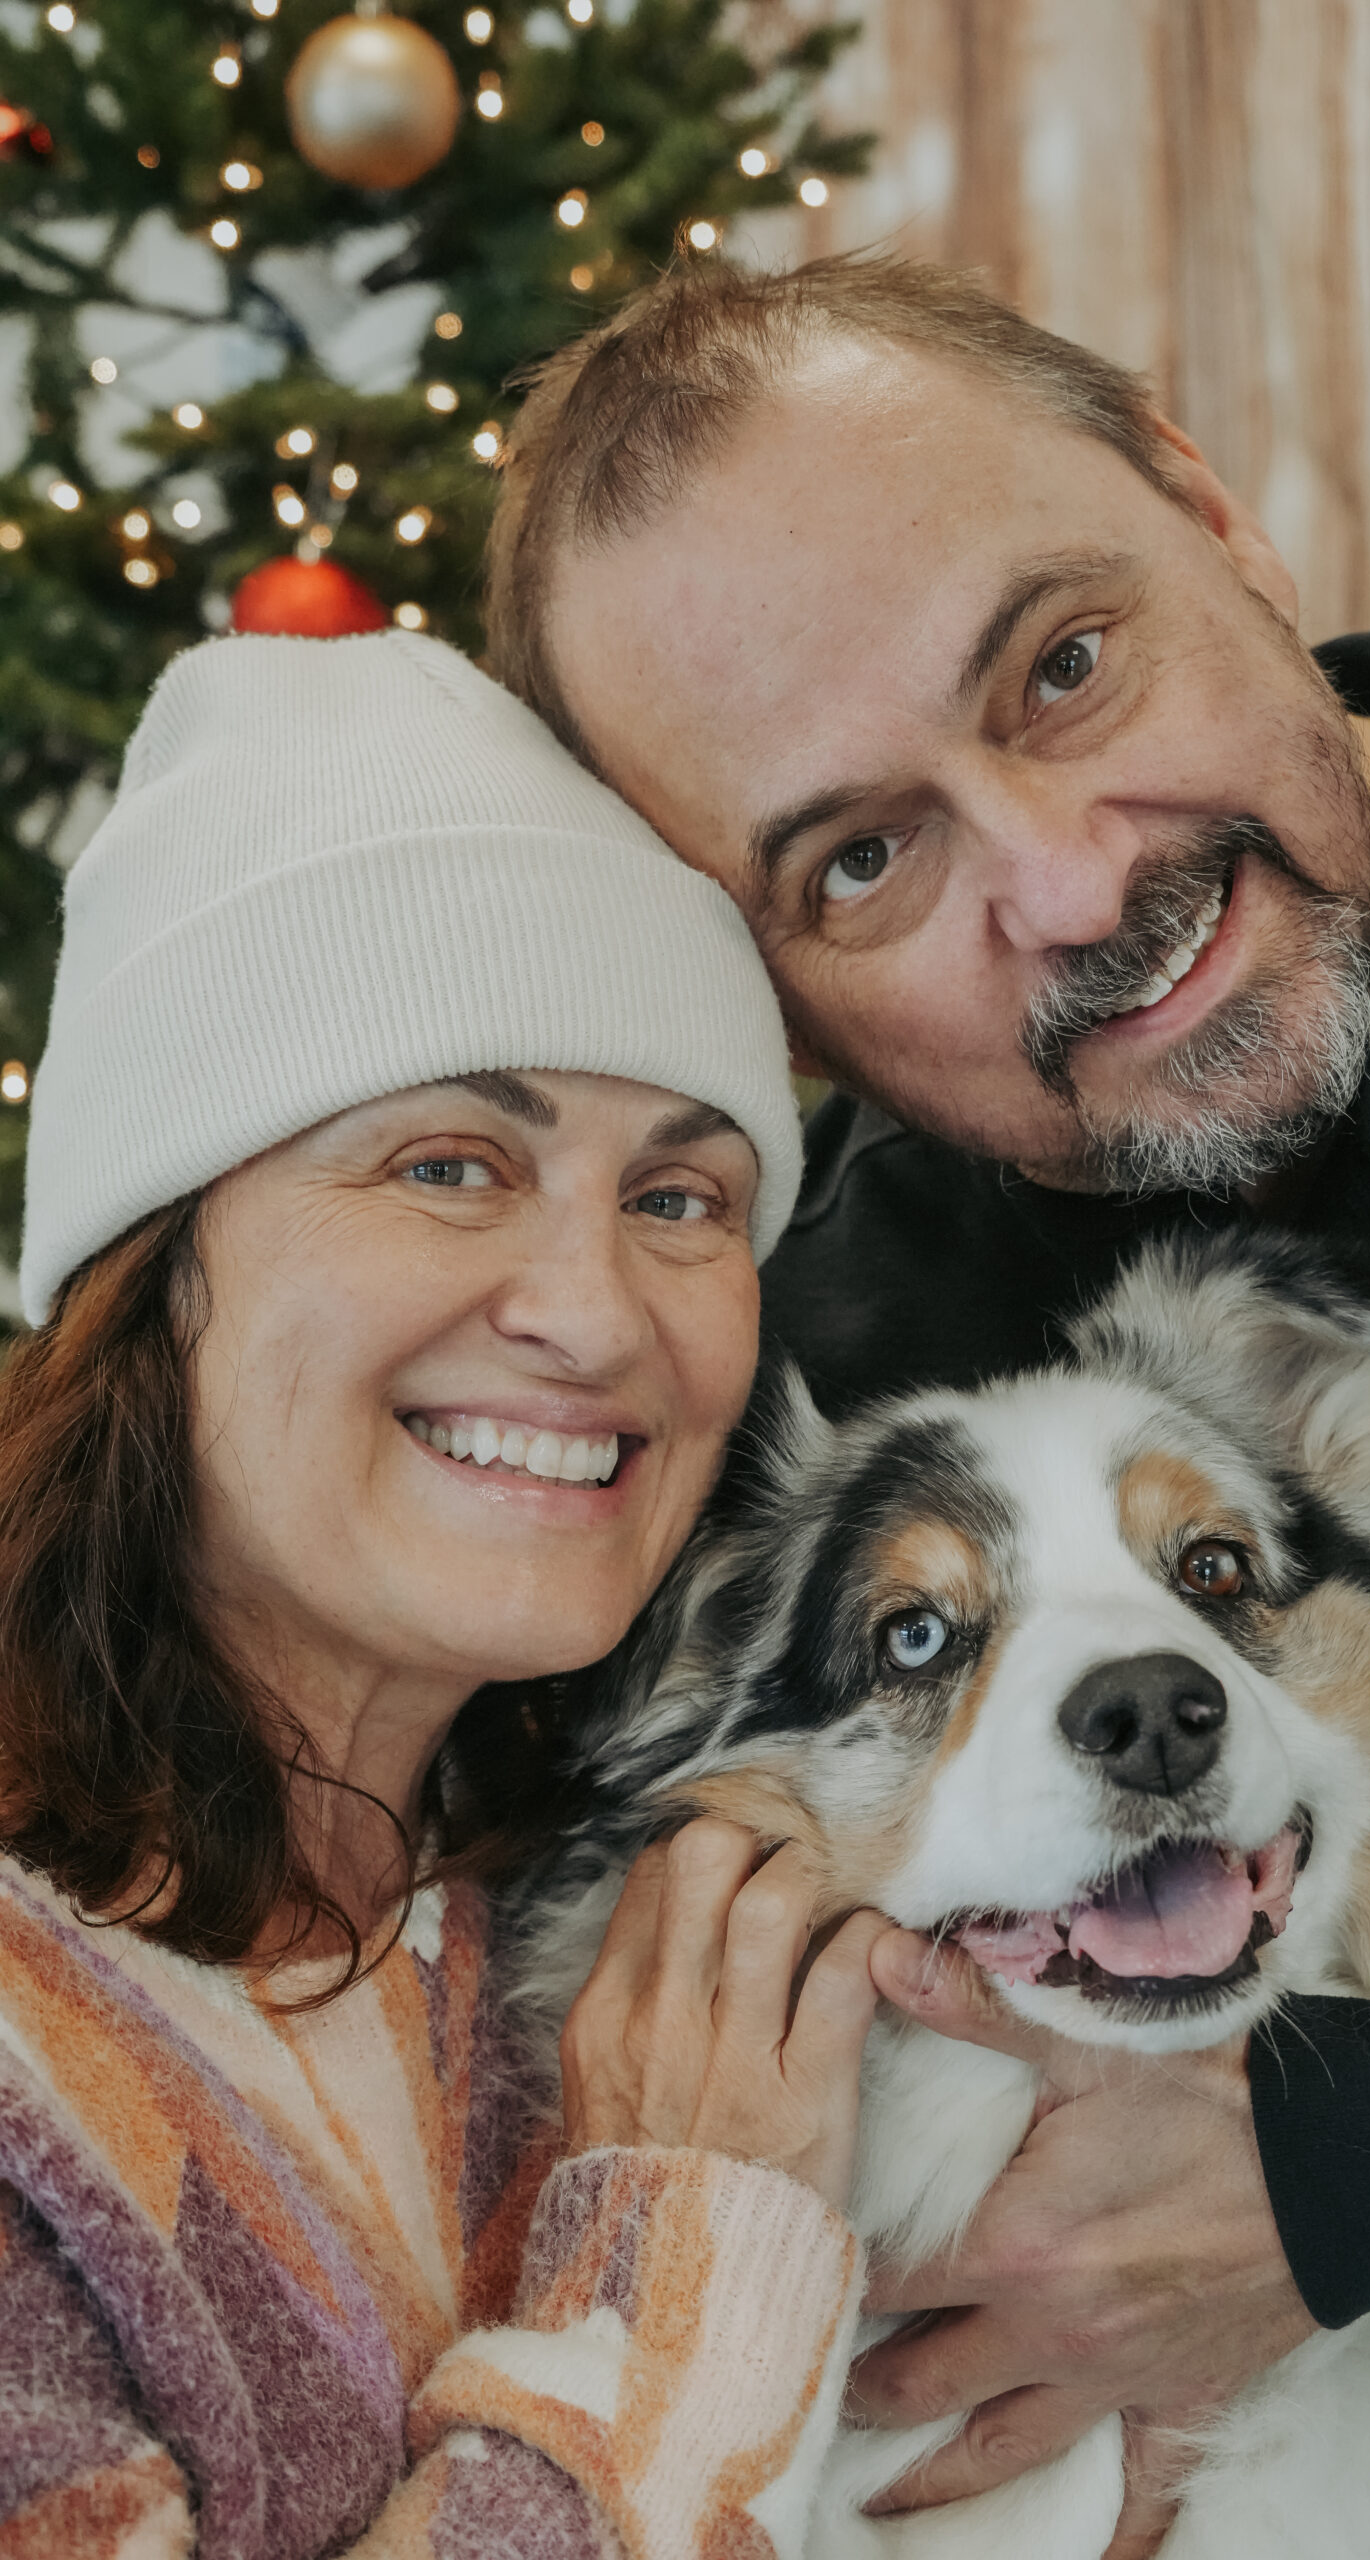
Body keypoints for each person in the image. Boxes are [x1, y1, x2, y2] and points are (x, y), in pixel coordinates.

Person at [484, 252, 1370, 2541]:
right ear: (770, 999)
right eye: (862, 858)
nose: (1067, 885)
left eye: (1060, 662)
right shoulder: (812, 1347)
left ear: (1205, 510)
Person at [0, 627, 898, 2557]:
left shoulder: (629, 1927)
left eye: (680, 1200)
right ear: (154, 1258)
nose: (597, 1317)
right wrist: (677, 2282)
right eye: (448, 1165)